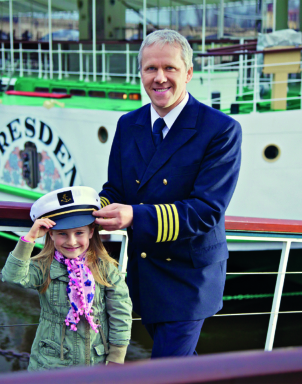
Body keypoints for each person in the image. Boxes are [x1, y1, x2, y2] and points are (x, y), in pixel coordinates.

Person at [93, 29, 242, 358]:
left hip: (190, 277)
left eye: (170, 68)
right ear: (141, 73)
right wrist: (88, 209)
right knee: (180, 364)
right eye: (150, 69)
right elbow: (116, 189)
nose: (159, 78)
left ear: (188, 73)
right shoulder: (127, 124)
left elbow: (206, 210)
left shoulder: (220, 130)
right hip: (145, 273)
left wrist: (134, 215)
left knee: (166, 368)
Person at [2, 186, 132, 370]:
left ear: (91, 232)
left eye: (79, 233)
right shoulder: (44, 266)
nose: (71, 241)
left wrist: (116, 357)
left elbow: (121, 312)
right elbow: (12, 277)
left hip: (96, 361)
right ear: (51, 234)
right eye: (62, 233)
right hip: (51, 364)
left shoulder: (105, 267)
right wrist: (30, 237)